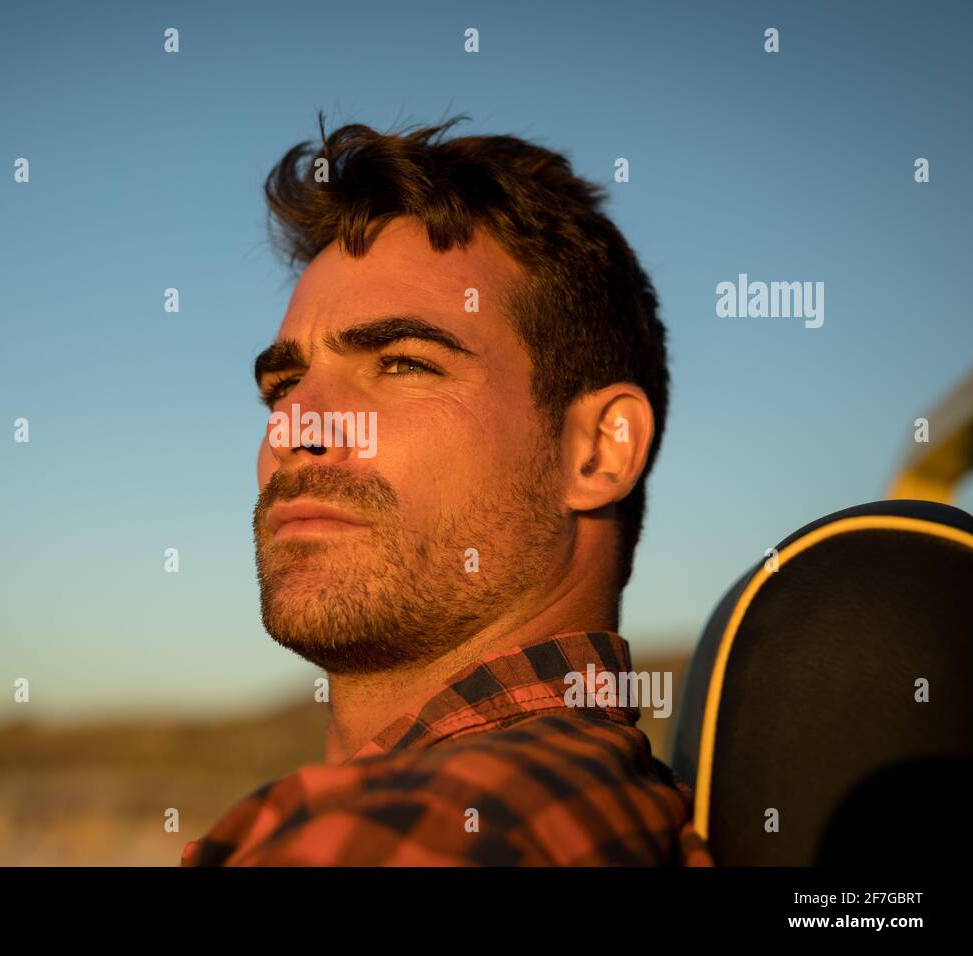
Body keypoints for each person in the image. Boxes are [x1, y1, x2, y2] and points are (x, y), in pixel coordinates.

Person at [181, 115, 713, 866]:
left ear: (597, 451)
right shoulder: (578, 808)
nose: (295, 425)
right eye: (285, 384)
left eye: (402, 364)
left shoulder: (442, 821)